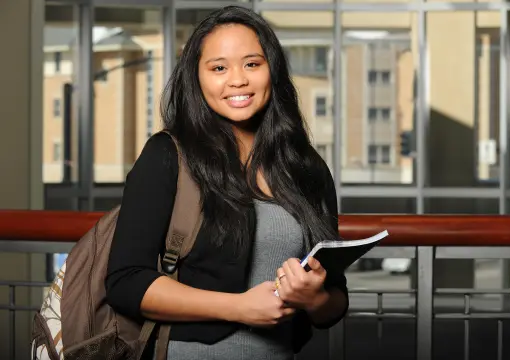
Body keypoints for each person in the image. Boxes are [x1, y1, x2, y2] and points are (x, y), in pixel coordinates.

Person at [104, 5, 349, 360]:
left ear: (272, 71)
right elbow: (126, 283)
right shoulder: (168, 155)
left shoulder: (305, 166)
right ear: (197, 78)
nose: (237, 80)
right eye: (219, 68)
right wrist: (238, 308)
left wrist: (315, 299)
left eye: (252, 64)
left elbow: (334, 303)